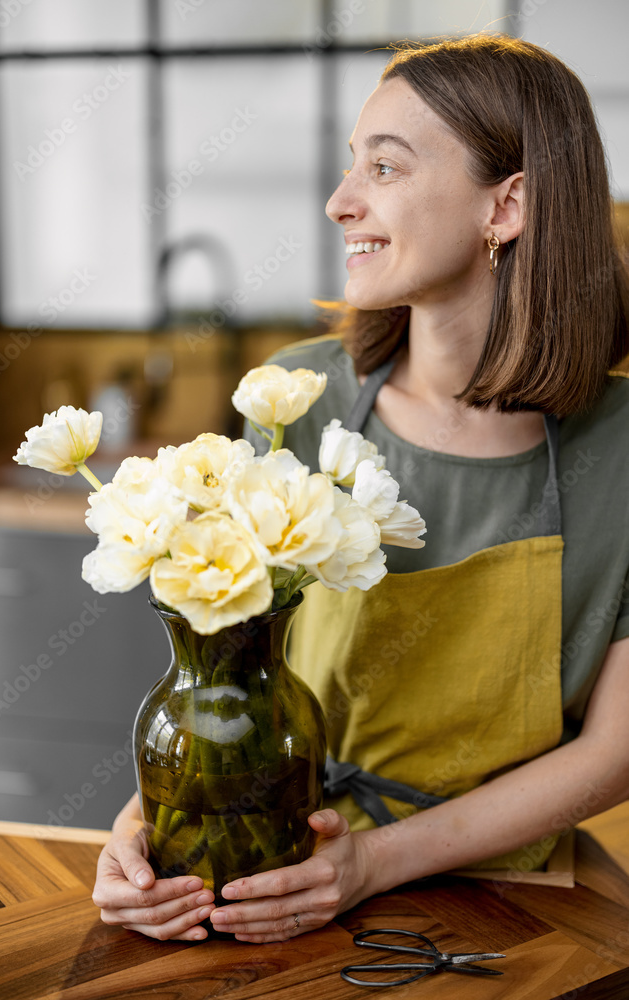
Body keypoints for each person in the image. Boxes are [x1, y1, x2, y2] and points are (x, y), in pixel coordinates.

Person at [92, 33, 629, 944]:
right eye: (352, 165)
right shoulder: (290, 406)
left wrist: (375, 860)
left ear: (509, 205)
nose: (342, 202)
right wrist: (148, 837)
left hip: (519, 909)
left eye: (384, 166)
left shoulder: (616, 449)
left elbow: (614, 752)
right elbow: (220, 686)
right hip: (281, 878)